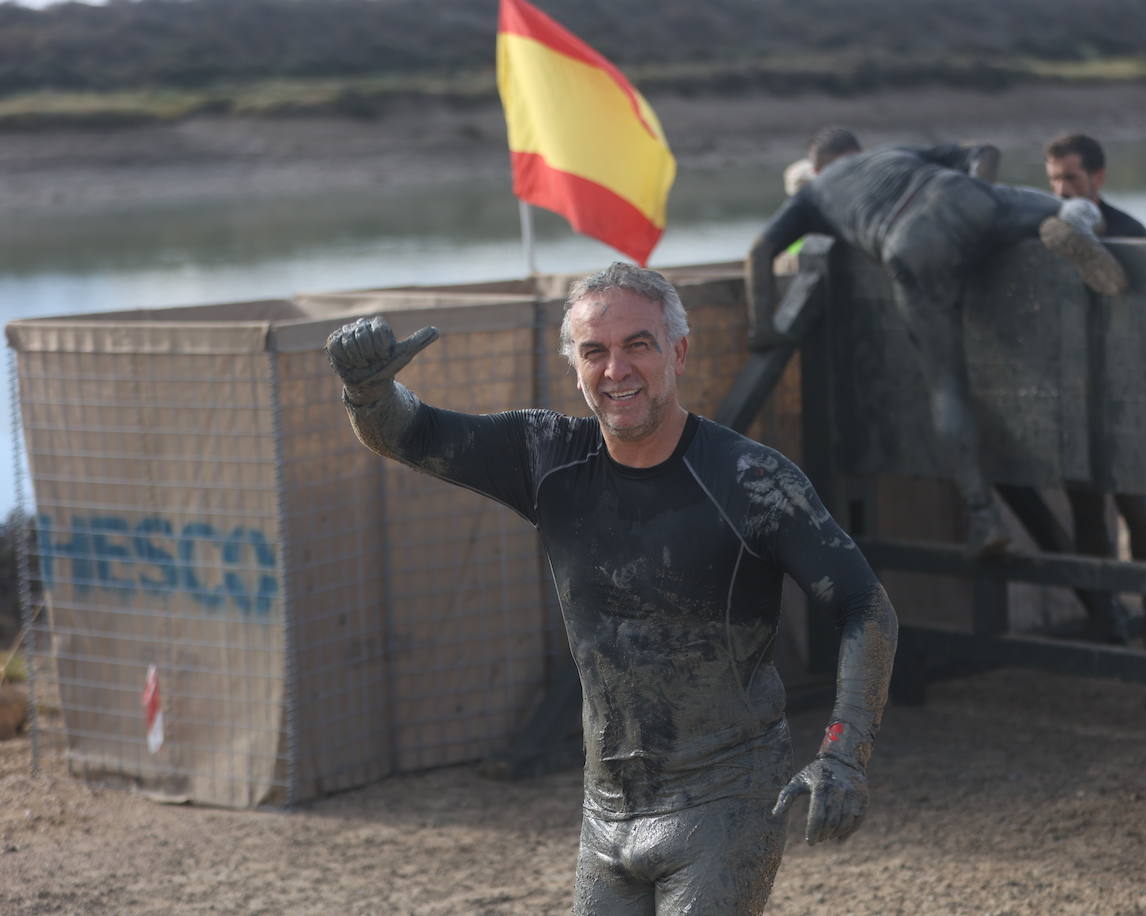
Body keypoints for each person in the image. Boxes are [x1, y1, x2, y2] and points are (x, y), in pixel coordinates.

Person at [325, 262, 899, 916]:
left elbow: (865, 607)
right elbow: (413, 432)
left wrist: (844, 751)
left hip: (727, 794)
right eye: (594, 351)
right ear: (575, 366)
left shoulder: (752, 480)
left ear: (678, 352)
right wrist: (368, 390)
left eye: (638, 345)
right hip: (607, 809)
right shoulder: (546, 456)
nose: (615, 370)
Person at [746, 126, 1128, 559]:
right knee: (1068, 207)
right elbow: (983, 150)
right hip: (963, 198)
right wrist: (978, 212)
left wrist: (764, 330)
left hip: (912, 244)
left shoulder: (812, 195)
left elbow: (760, 251)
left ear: (815, 169)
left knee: (947, 387)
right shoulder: (891, 152)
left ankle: (984, 516)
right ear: (857, 152)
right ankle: (1078, 228)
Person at [1043, 133, 1146, 645]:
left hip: (1126, 393)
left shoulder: (1129, 231)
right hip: (1073, 391)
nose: (1061, 190)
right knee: (1086, 511)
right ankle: (1106, 617)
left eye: (1071, 178)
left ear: (1097, 177)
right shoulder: (1047, 229)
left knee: (1135, 507)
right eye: (1054, 179)